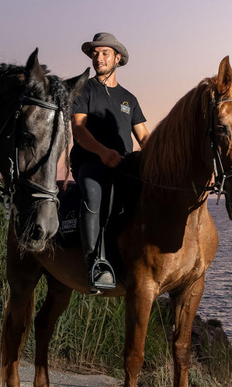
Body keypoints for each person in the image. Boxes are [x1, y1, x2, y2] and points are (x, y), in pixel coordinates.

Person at [70, 32, 150, 292]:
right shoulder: (83, 90)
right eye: (95, 53)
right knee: (93, 194)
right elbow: (79, 131)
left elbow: (144, 137)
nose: (98, 57)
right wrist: (103, 152)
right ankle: (93, 262)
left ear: (117, 58)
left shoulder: (129, 99)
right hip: (91, 162)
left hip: (125, 166)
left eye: (104, 53)